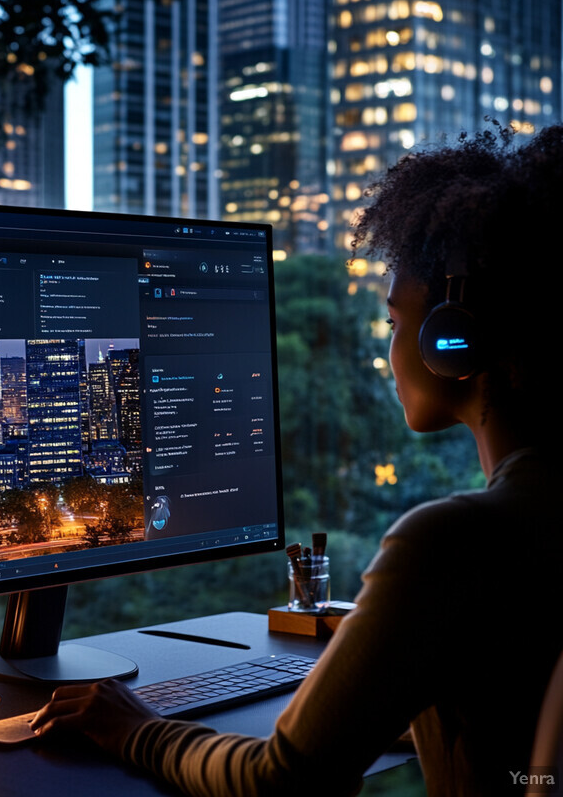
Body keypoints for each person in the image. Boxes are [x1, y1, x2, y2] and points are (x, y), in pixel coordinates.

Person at [31, 124, 563, 796]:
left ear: (451, 339)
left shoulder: (454, 544)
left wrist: (129, 725)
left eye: (396, 322)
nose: (389, 348)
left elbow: (283, 781)